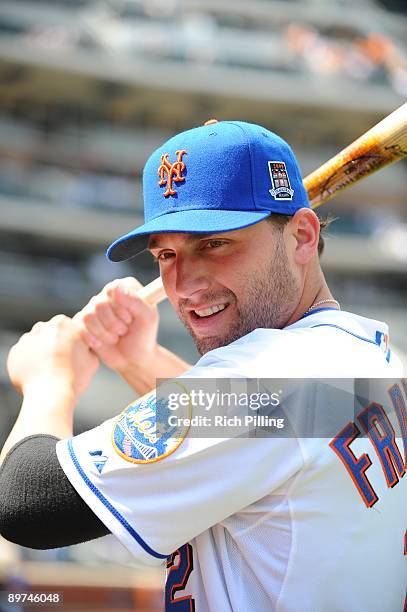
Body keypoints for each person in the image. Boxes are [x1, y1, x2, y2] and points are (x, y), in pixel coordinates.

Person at [0, 120, 406, 612]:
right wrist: (138, 359)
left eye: (213, 244)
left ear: (301, 235)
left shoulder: (270, 380)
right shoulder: (368, 359)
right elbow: (259, 427)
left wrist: (48, 380)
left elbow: (28, 505)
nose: (184, 284)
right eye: (166, 254)